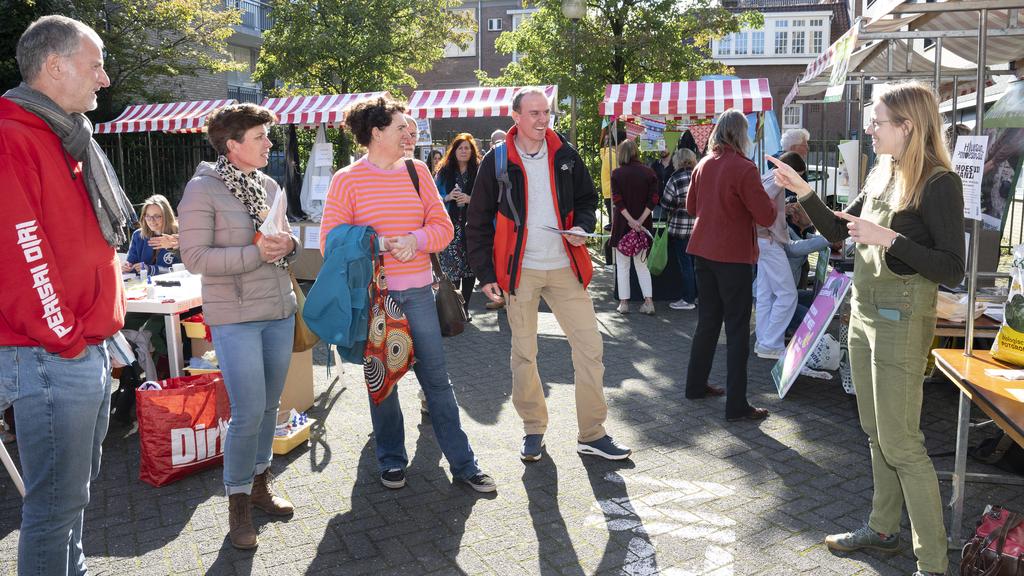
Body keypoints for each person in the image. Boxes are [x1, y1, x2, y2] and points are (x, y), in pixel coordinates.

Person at [768, 80, 965, 576]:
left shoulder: (940, 182)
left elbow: (951, 269)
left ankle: (934, 563)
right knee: (875, 431)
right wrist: (806, 194)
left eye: (877, 122)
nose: (869, 129)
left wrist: (890, 237)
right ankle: (883, 529)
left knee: (902, 442)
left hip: (902, 317)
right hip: (865, 311)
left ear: (907, 126)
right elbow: (839, 233)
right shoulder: (883, 170)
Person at [0, 15, 136, 573]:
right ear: (54, 67)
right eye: (95, 64)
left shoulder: (63, 134)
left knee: (71, 501)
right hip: (53, 354)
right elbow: (23, 251)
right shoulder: (14, 138)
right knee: (56, 509)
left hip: (80, 348)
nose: (104, 78)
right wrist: (69, 340)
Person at [320, 96, 496, 494]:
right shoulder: (346, 180)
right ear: (376, 133)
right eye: (401, 127)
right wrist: (380, 243)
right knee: (382, 384)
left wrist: (415, 240)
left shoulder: (418, 172)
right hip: (374, 301)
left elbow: (444, 229)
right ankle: (391, 459)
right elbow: (330, 242)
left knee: (437, 381)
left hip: (419, 294)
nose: (409, 134)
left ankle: (464, 464)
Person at [466, 88, 631, 462]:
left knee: (591, 349)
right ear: (516, 117)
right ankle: (533, 430)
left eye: (546, 113)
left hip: (564, 266)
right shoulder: (497, 161)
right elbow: (476, 224)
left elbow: (589, 200)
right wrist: (485, 273)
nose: (543, 120)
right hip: (519, 270)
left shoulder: (566, 155)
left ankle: (592, 432)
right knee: (524, 353)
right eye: (535, 113)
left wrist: (584, 226)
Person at [178, 103, 299, 550]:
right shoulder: (201, 190)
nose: (270, 143)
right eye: (260, 137)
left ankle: (261, 483)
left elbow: (283, 237)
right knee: (248, 412)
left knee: (269, 408)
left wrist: (290, 243)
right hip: (236, 318)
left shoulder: (266, 184)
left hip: (278, 311)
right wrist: (256, 255)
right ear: (233, 145)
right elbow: (194, 258)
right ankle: (238, 503)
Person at [683, 109, 775, 422]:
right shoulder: (744, 168)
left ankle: (695, 385)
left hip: (703, 251)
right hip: (733, 255)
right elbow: (766, 216)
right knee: (737, 331)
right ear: (741, 134)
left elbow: (691, 207)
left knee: (707, 322)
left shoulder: (704, 164)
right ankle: (736, 405)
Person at [753, 152, 806, 359]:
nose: (799, 181)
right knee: (787, 294)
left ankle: (764, 340)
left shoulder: (767, 176)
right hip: (769, 240)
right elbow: (760, 205)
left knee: (766, 293)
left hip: (762, 239)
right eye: (799, 175)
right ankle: (770, 343)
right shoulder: (777, 180)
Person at [435, 132, 481, 320]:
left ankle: (466, 308)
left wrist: (471, 199)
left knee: (470, 269)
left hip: (472, 227)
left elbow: (490, 197)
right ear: (453, 151)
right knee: (452, 270)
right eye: (460, 148)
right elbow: (433, 198)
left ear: (472, 151)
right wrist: (448, 197)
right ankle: (454, 309)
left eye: (467, 148)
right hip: (450, 227)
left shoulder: (478, 171)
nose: (463, 151)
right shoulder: (444, 172)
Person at [610, 139, 658, 315]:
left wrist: (630, 220)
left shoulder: (617, 174)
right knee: (642, 266)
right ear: (636, 152)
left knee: (623, 267)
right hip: (643, 226)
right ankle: (649, 302)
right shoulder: (649, 173)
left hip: (623, 226)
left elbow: (617, 200)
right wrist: (640, 221)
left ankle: (624, 303)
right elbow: (653, 199)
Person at [660, 148, 698, 310]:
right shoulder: (701, 175)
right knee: (699, 265)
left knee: (685, 265)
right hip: (699, 228)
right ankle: (699, 297)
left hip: (680, 228)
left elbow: (665, 203)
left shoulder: (675, 178)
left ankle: (688, 299)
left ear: (678, 161)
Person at [483, 128, 510, 311]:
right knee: (496, 259)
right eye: (497, 141)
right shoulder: (488, 162)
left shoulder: (512, 159)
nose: (501, 143)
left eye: (504, 140)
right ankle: (500, 296)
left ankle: (506, 295)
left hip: (507, 222)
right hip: (492, 222)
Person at [123, 194, 180, 274]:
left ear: (167, 216)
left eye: (157, 216)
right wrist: (127, 267)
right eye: (148, 216)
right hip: (143, 285)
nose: (151, 221)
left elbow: (181, 270)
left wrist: (151, 270)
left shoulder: (179, 235)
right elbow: (131, 264)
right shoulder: (138, 236)